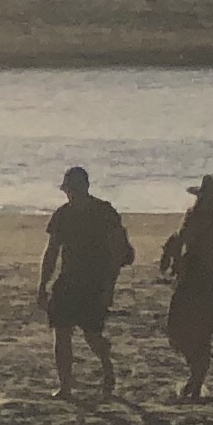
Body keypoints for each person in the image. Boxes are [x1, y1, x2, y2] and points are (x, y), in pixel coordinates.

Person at [38, 165, 135, 399]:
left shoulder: (104, 212)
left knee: (92, 335)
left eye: (75, 189)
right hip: (68, 279)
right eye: (69, 190)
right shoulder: (62, 215)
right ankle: (65, 386)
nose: (72, 194)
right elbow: (52, 251)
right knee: (61, 332)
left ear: (86, 187)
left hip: (95, 281)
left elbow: (117, 253)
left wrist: (109, 286)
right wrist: (42, 285)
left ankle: (107, 366)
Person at [160, 174, 213, 402]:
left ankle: (196, 382)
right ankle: (196, 379)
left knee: (196, 333)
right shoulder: (199, 217)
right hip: (197, 279)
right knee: (182, 331)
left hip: (204, 280)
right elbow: (180, 240)